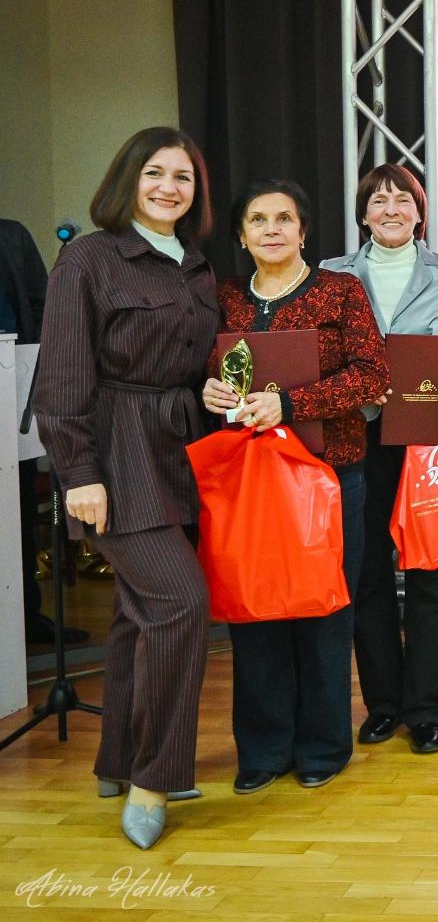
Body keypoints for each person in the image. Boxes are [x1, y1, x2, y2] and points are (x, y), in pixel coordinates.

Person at [35, 127, 219, 849]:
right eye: (154, 173)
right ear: (128, 180)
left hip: (180, 452)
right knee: (180, 603)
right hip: (115, 453)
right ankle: (154, 781)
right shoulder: (88, 258)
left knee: (136, 618)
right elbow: (61, 376)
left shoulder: (196, 266)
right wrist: (78, 474)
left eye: (183, 177)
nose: (170, 187)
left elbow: (191, 367)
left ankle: (117, 760)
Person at [201, 180, 388, 794]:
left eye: (284, 218)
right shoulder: (227, 297)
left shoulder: (340, 290)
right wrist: (211, 389)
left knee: (323, 612)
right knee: (255, 611)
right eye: (258, 220)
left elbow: (373, 375)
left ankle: (323, 746)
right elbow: (211, 367)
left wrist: (289, 403)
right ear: (241, 234)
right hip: (252, 481)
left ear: (304, 231)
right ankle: (262, 749)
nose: (272, 229)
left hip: (329, 476)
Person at [322, 164, 438, 755]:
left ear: (420, 212)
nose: (390, 210)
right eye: (378, 201)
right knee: (367, 574)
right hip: (356, 434)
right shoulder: (333, 273)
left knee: (433, 572)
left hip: (428, 436)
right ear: (363, 213)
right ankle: (383, 704)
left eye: (402, 201)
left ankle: (428, 710)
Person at [2, 216, 90, 646]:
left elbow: (42, 308)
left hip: (11, 392)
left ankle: (26, 616)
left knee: (16, 508)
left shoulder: (11, 235)